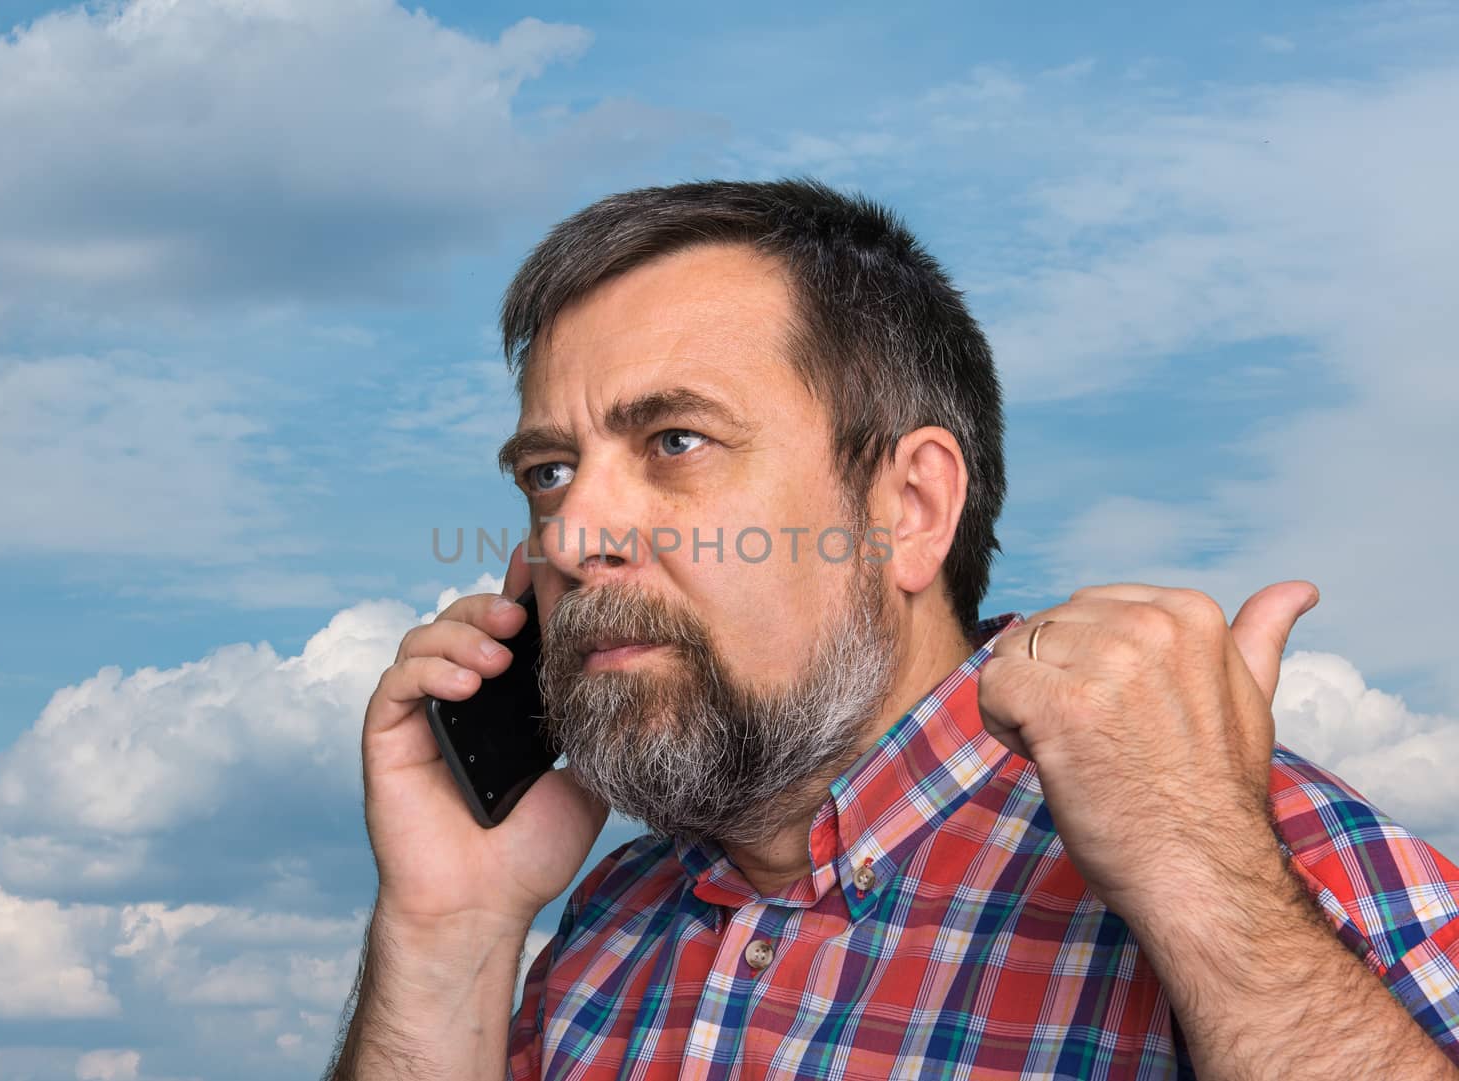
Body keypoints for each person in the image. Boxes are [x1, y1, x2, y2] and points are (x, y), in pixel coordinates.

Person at [324, 180, 1459, 1080]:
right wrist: (447, 927)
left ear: (907, 509)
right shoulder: (608, 928)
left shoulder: (1262, 850)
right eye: (550, 470)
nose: (571, 533)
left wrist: (1203, 882)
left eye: (674, 441)